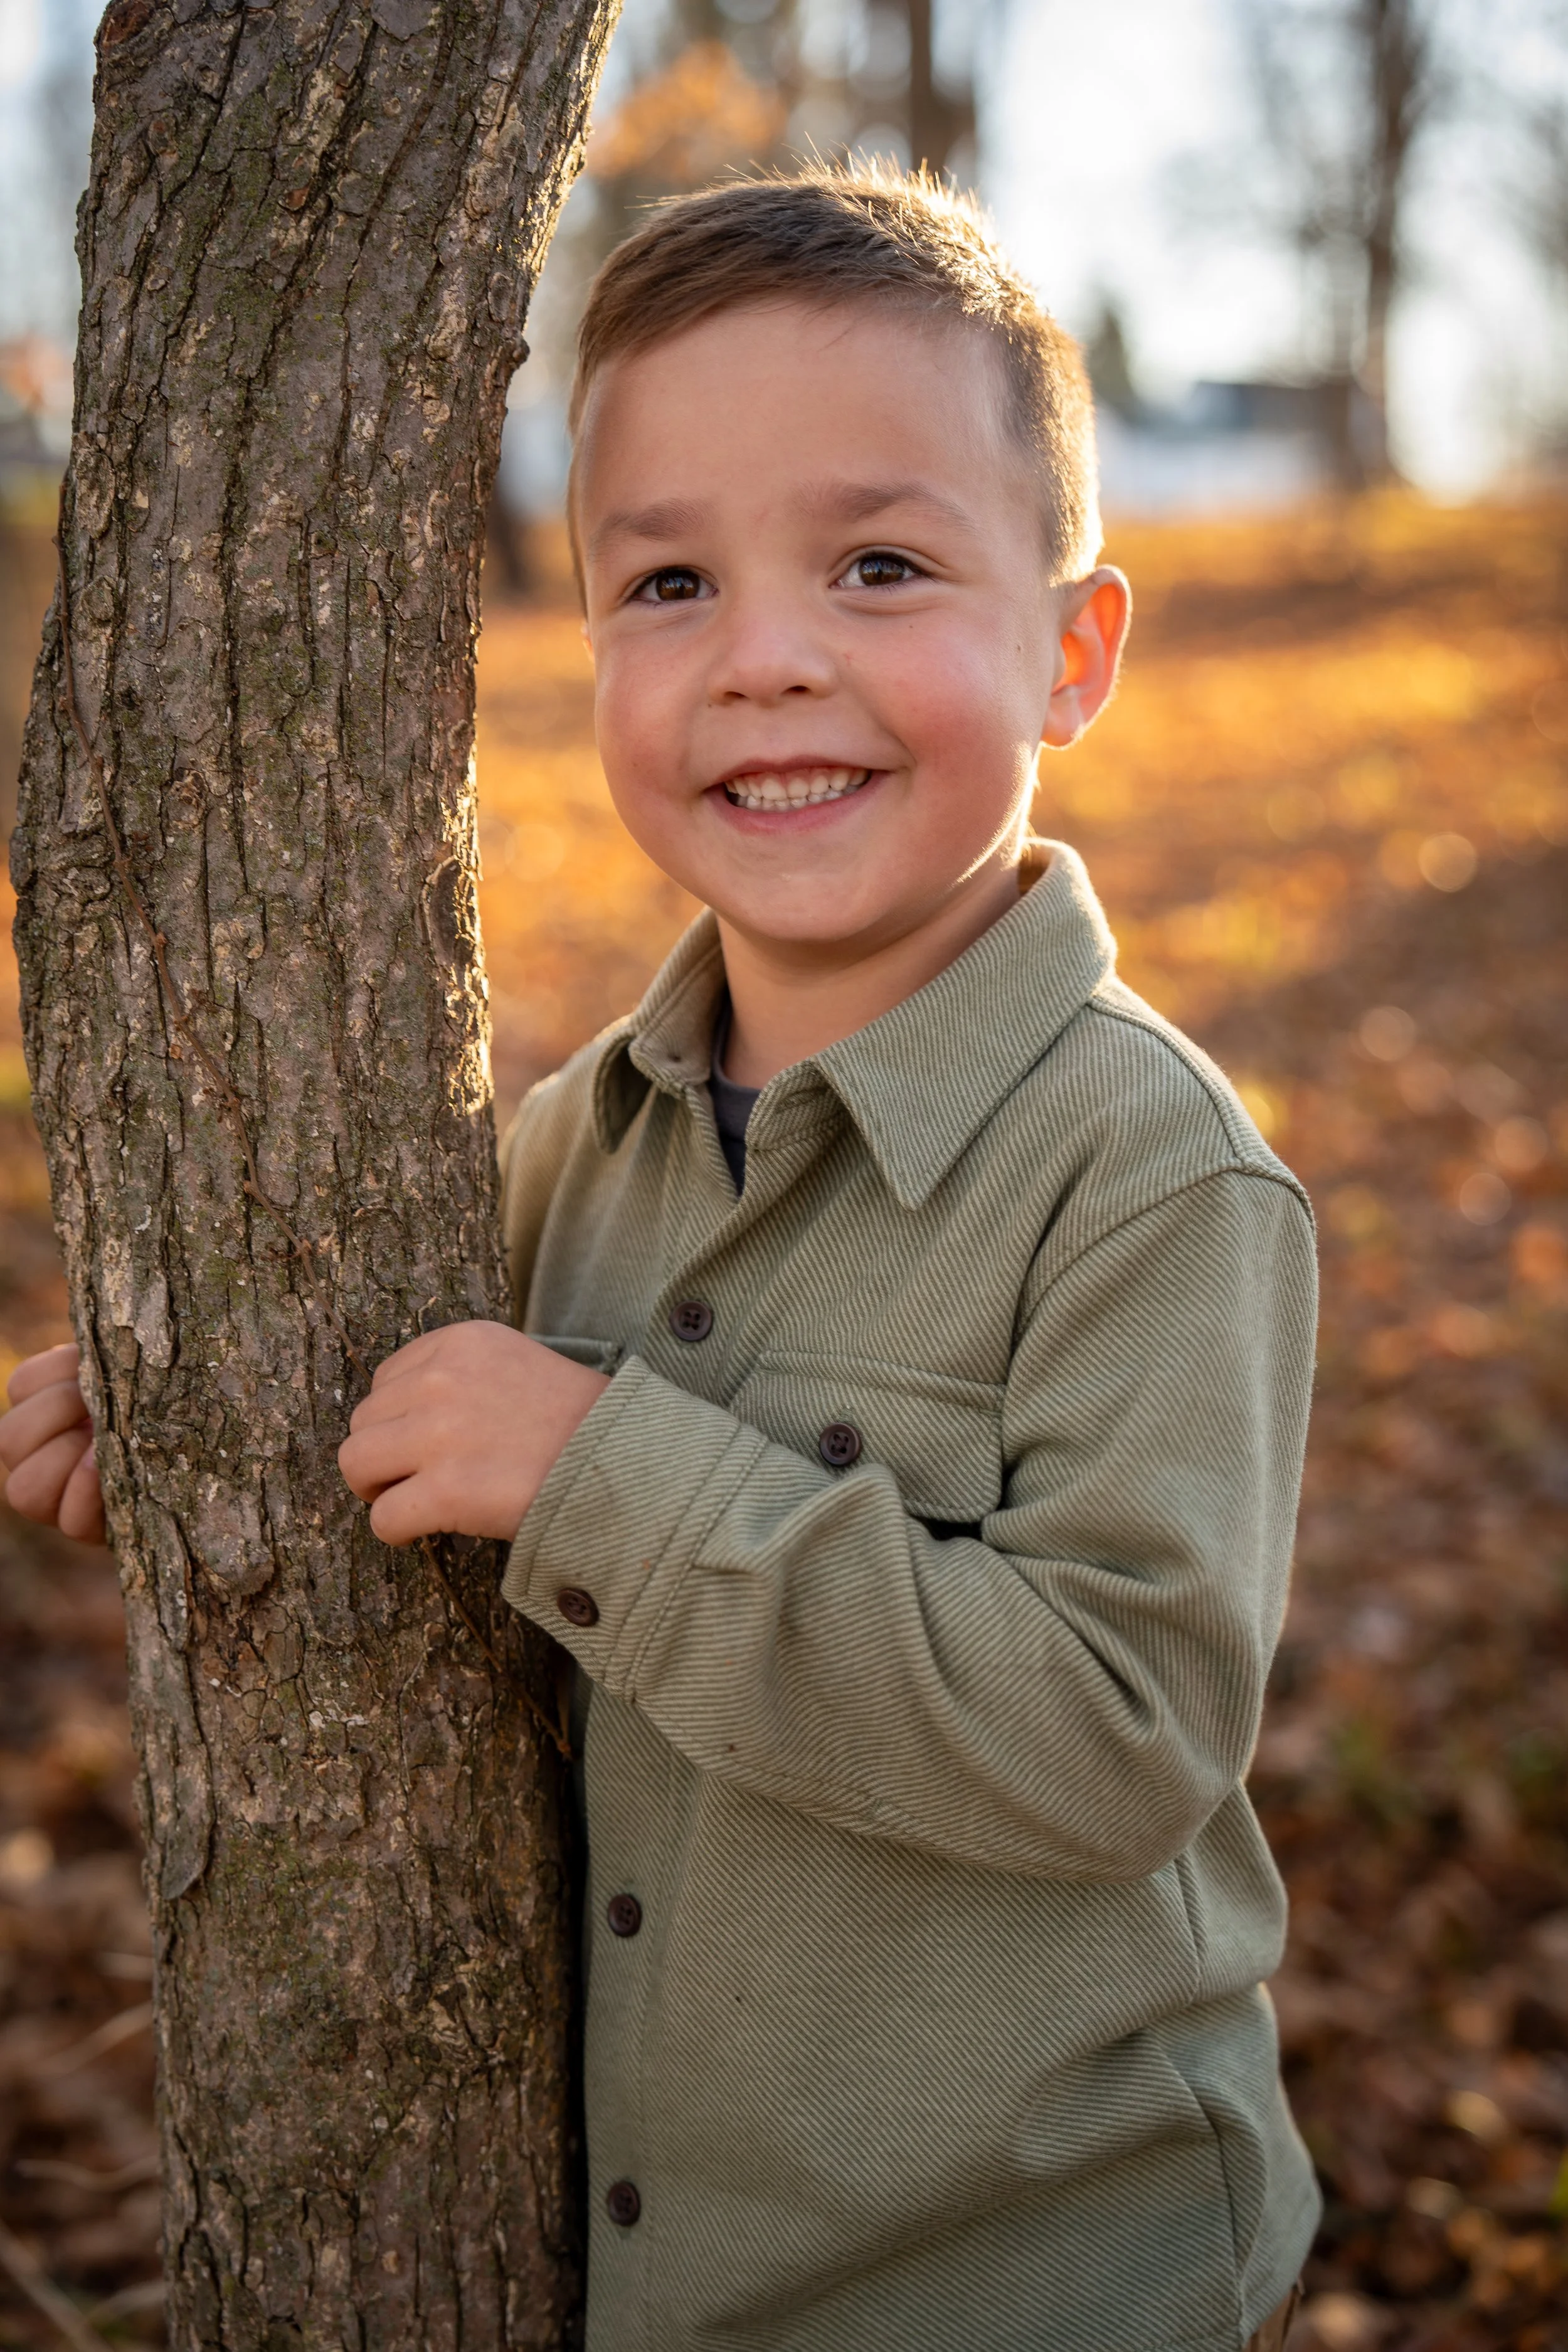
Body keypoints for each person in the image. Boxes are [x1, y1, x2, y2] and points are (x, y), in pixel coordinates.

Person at [1, 169, 1316, 2352]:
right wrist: (175, 1417)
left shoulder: (1144, 1175)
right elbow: (442, 1484)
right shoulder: (565, 1148)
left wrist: (606, 1470)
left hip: (1028, 2282)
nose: (765, 654)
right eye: (669, 580)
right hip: (649, 2275)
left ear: (1071, 651)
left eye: (879, 565)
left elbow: (1118, 1730)